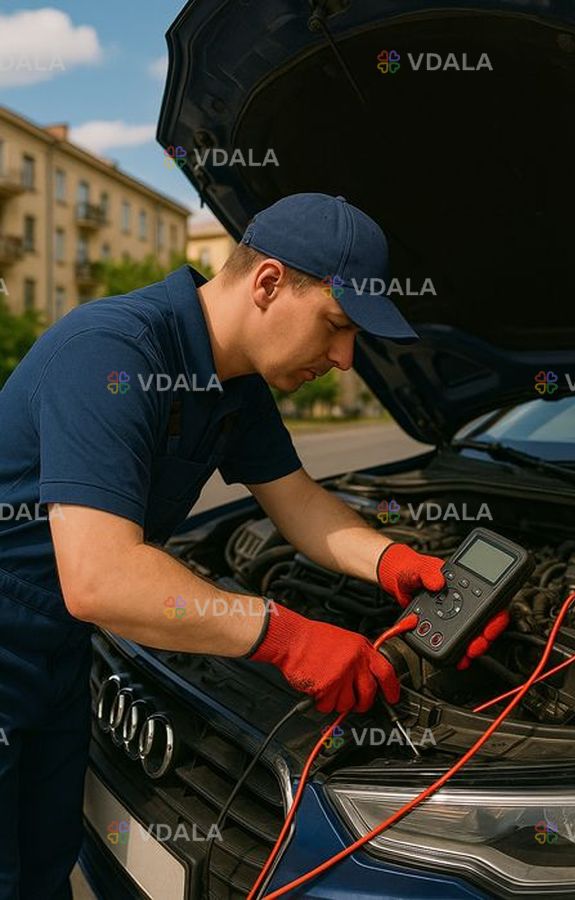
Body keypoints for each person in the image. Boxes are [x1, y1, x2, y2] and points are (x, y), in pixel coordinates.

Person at [0, 192, 507, 898]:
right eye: (337, 326)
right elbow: (101, 578)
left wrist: (391, 561)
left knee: (43, 865)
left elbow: (298, 501)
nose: (345, 358)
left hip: (57, 650)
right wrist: (288, 638)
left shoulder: (237, 384)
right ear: (268, 283)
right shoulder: (112, 352)